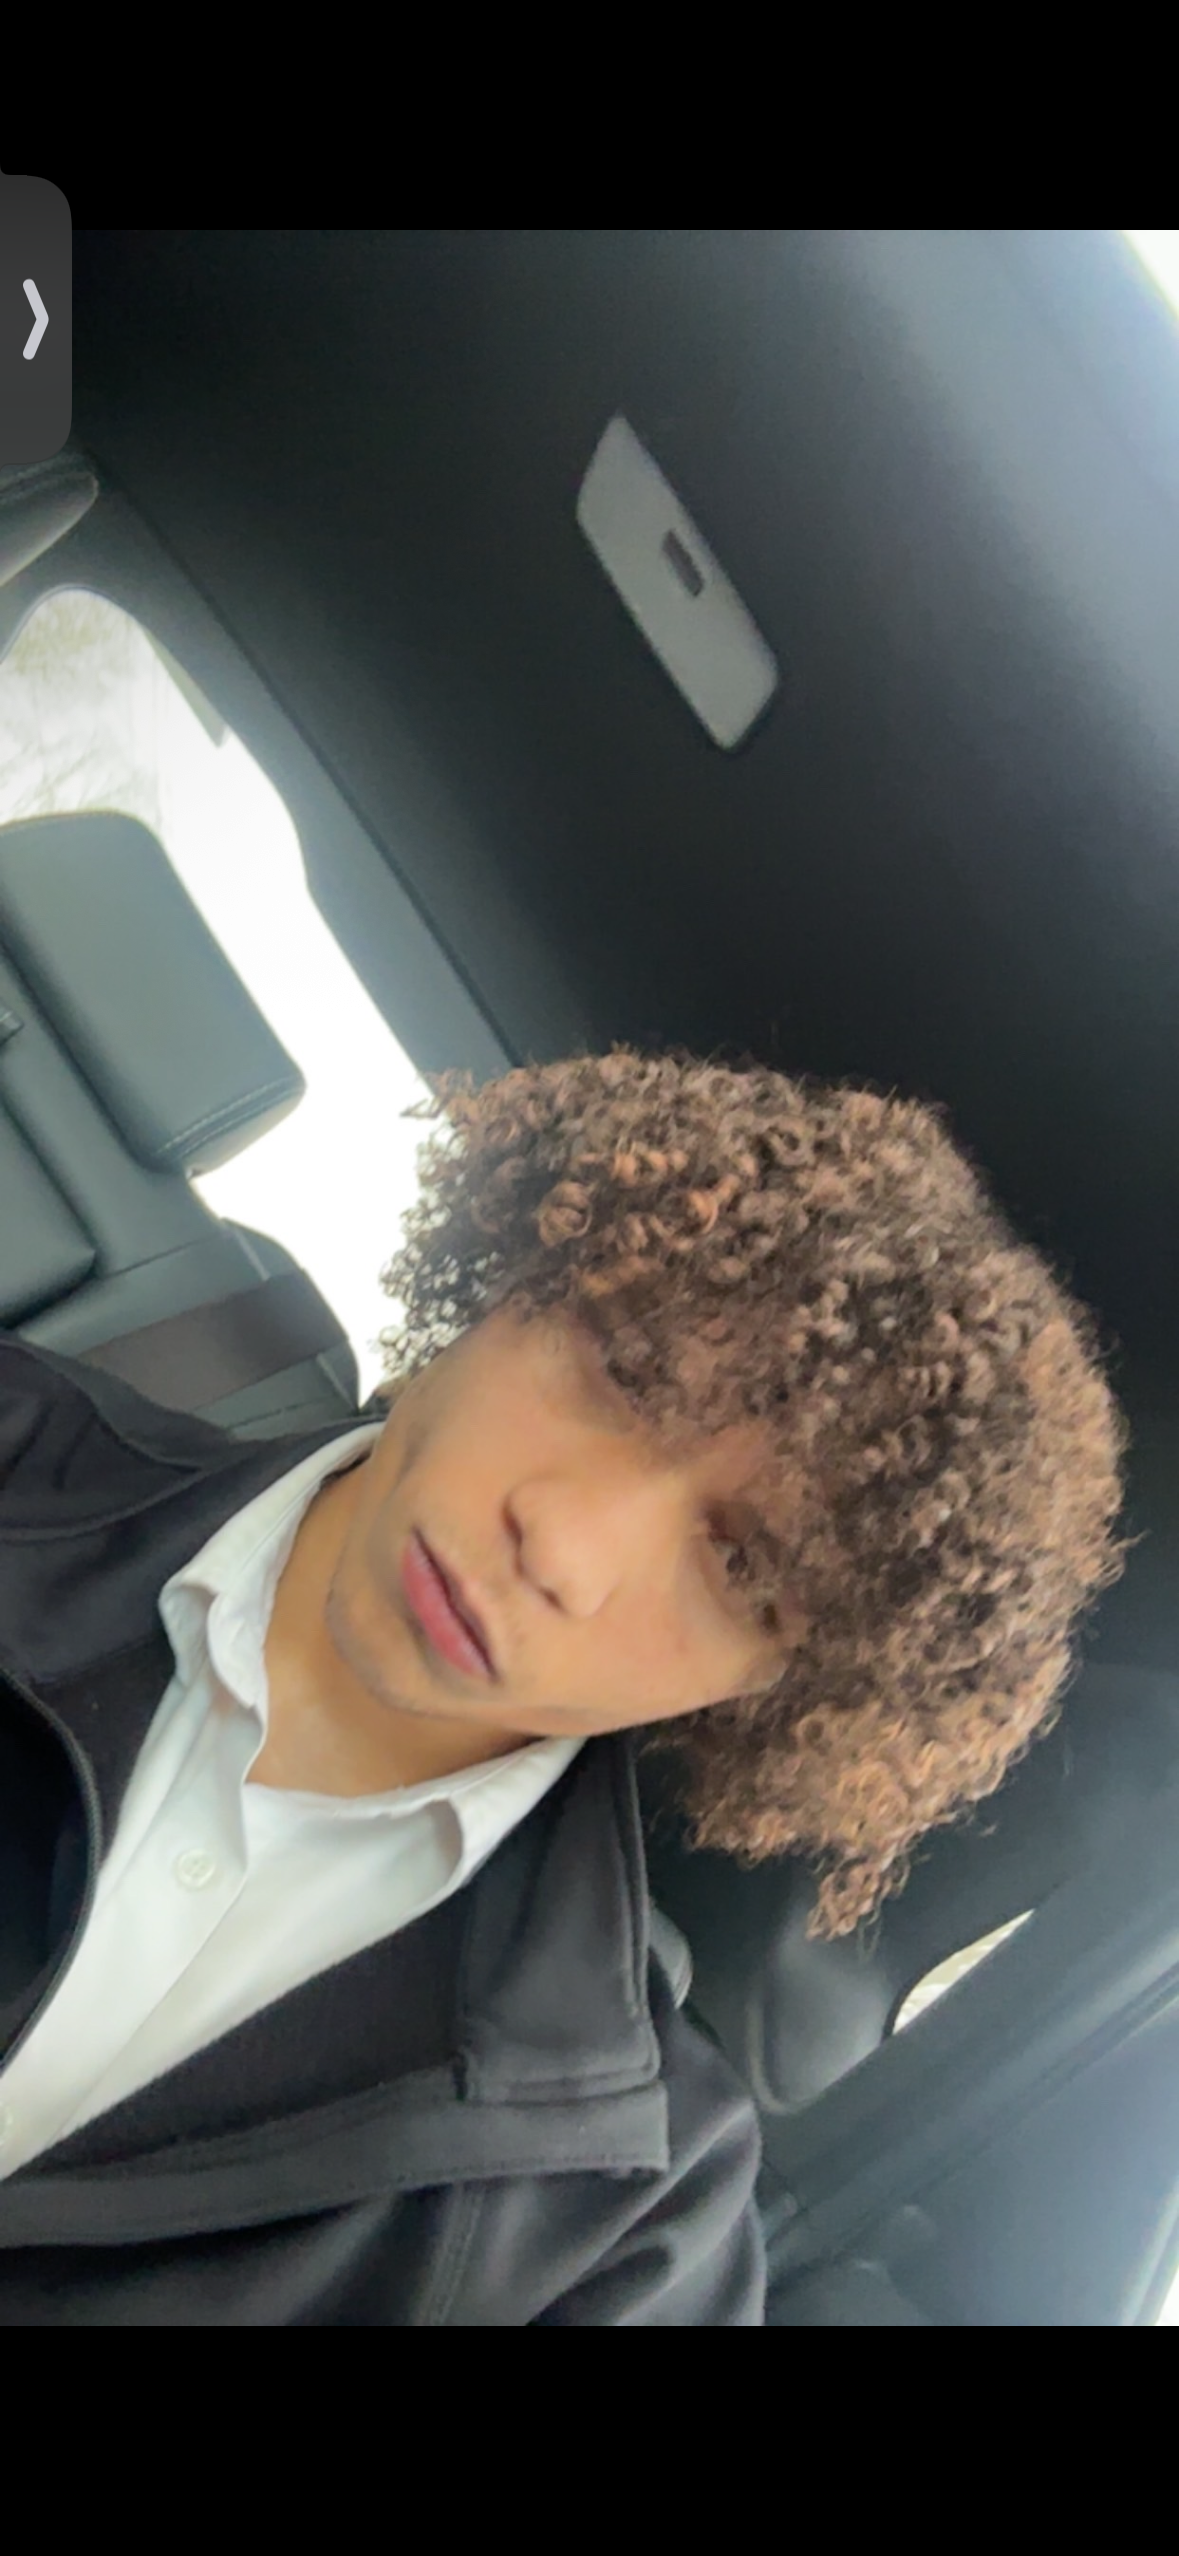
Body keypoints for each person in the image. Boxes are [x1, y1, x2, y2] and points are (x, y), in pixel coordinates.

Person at [0, 1048, 1131, 2324]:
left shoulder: (633, 2222)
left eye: (740, 1566)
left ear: (776, 1685)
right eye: (629, 1371)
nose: (565, 1549)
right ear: (523, 1265)